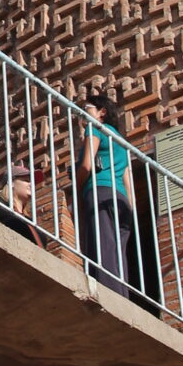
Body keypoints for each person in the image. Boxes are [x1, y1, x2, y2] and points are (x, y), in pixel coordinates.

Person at [76, 90, 161, 313]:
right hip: (121, 200)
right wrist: (130, 212)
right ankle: (121, 297)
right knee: (117, 250)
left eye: (86, 109)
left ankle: (108, 298)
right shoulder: (121, 141)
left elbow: (86, 165)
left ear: (101, 112)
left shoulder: (95, 128)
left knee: (102, 244)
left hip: (100, 192)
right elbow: (127, 179)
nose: (82, 114)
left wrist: (77, 187)